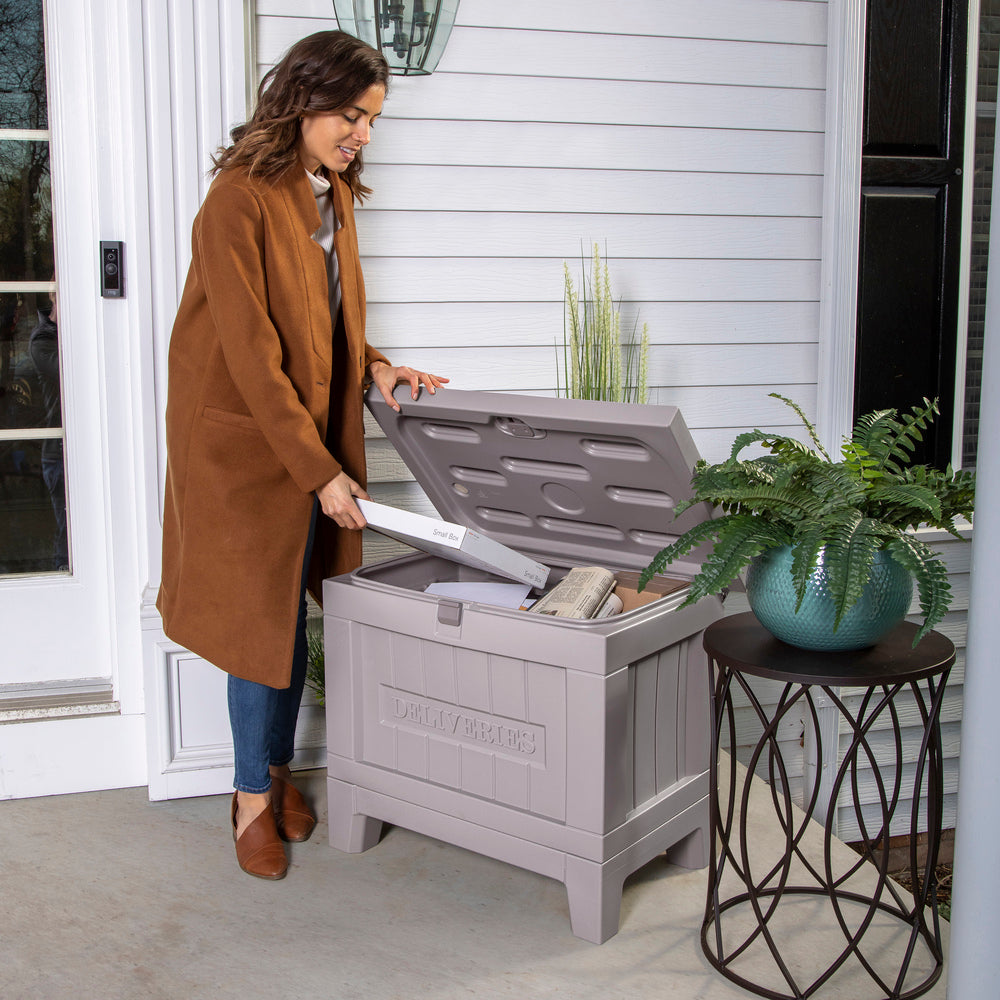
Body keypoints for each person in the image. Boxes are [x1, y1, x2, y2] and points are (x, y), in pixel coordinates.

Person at [157, 30, 447, 881]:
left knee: (289, 611)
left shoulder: (335, 197)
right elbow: (252, 353)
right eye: (351, 115)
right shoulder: (236, 200)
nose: (362, 133)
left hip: (306, 433)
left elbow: (323, 320)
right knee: (260, 622)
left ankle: (276, 769)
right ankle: (250, 795)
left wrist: (378, 367)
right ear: (304, 98)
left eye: (372, 120)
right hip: (243, 445)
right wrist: (319, 472)